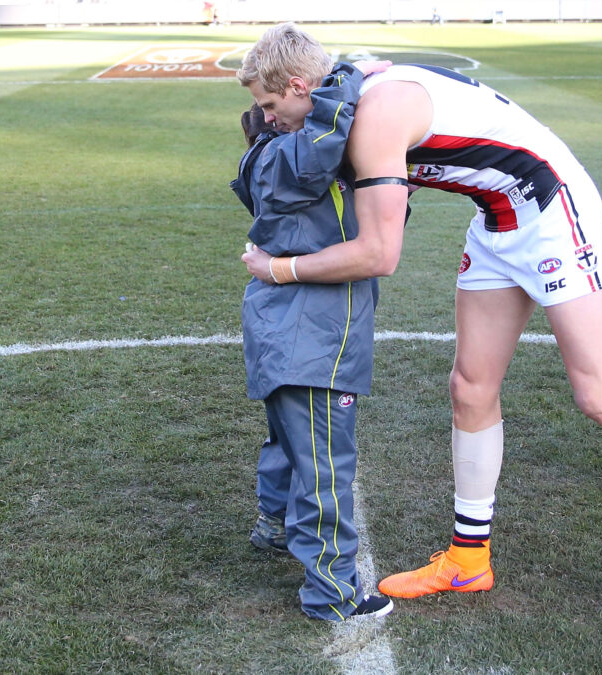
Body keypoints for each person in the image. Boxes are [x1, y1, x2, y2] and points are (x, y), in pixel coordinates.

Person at [241, 22, 602, 654]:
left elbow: (379, 252)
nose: (271, 123)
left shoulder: (373, 115)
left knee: (599, 392)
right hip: (497, 213)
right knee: (470, 387)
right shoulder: (343, 92)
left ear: (299, 86)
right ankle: (468, 556)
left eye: (272, 108)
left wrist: (279, 268)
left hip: (550, 206)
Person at [231, 58, 394, 621]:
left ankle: (273, 525)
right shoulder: (287, 156)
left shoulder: (277, 155)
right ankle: (332, 593)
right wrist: (347, 76)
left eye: (275, 107)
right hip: (312, 339)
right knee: (325, 465)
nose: (272, 116)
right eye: (268, 109)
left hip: (286, 333)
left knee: (289, 445)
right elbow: (326, 134)